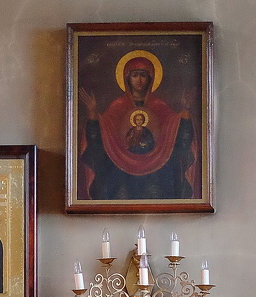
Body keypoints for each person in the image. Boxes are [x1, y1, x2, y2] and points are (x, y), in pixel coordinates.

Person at [77, 52, 198, 200]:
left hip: (156, 173)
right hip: (121, 173)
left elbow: (180, 140)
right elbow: (98, 140)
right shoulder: (117, 106)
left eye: (143, 75)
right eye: (135, 75)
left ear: (150, 78)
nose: (139, 80)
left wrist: (185, 111)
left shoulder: (159, 106)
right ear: (127, 78)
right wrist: (92, 113)